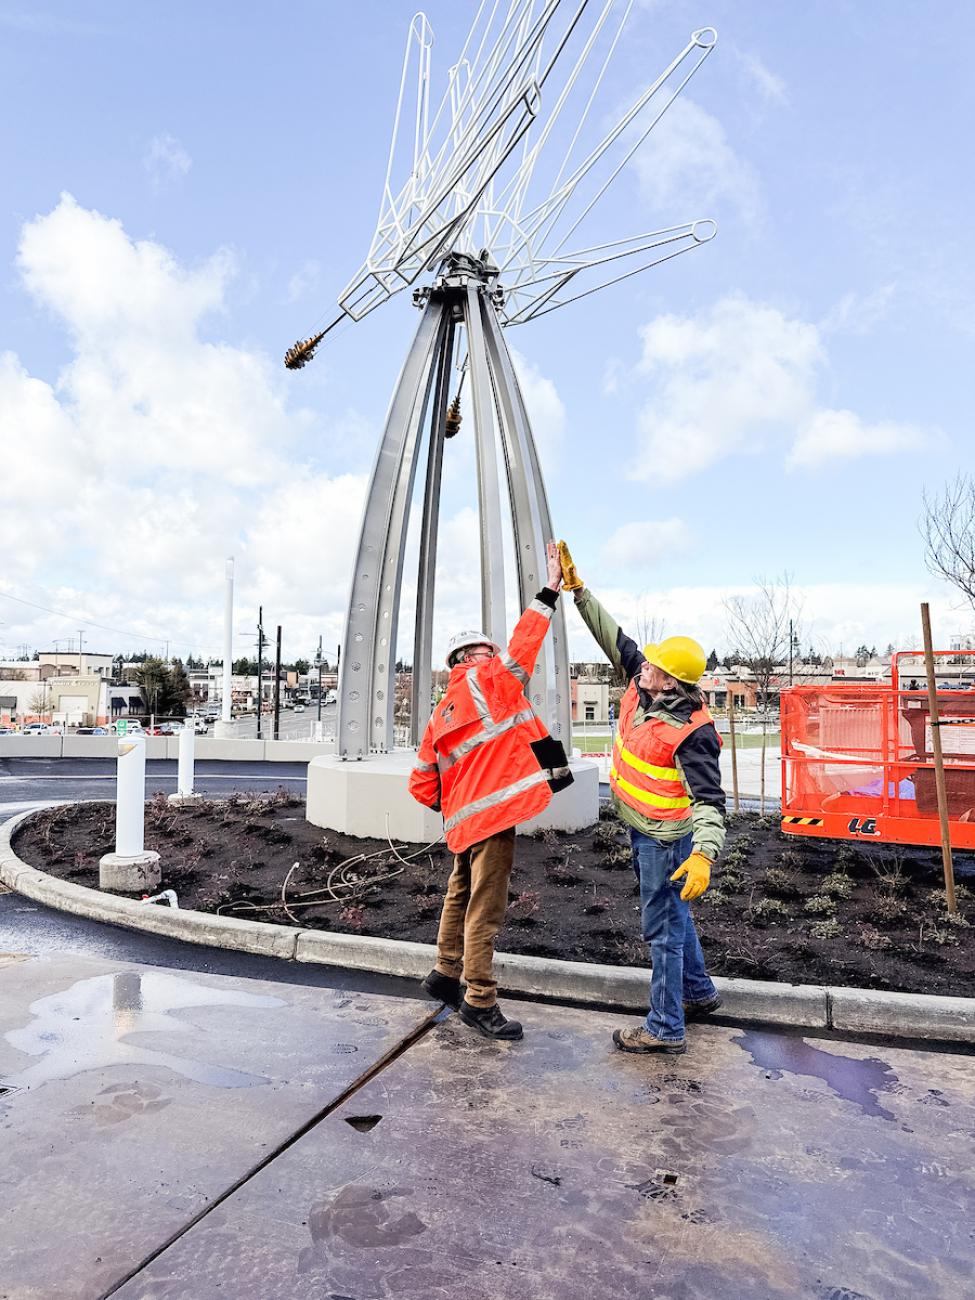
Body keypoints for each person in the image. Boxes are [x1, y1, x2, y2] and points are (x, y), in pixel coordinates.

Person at [559, 540, 725, 1056]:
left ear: (672, 681)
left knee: (663, 929)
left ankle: (665, 1027)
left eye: (652, 667)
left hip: (667, 843)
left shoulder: (693, 732)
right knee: (676, 919)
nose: (641, 666)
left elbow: (711, 803)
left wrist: (702, 855)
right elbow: (615, 638)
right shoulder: (643, 684)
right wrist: (579, 592)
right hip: (642, 828)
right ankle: (697, 994)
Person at [408, 541, 572, 1041]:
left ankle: (443, 973)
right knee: (487, 908)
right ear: (477, 655)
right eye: (488, 649)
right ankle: (479, 999)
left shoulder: (441, 712)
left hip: (464, 824)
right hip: (495, 818)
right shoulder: (495, 680)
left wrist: (457, 805)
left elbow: (421, 783)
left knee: (459, 896)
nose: (495, 654)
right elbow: (527, 639)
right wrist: (550, 588)